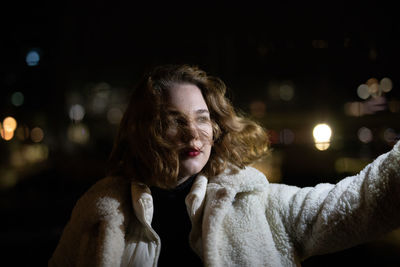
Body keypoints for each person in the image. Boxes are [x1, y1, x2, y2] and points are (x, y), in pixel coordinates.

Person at [49, 64, 400, 267]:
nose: (193, 134)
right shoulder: (96, 214)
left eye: (202, 118)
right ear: (144, 131)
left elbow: (357, 203)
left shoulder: (256, 202)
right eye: (174, 120)